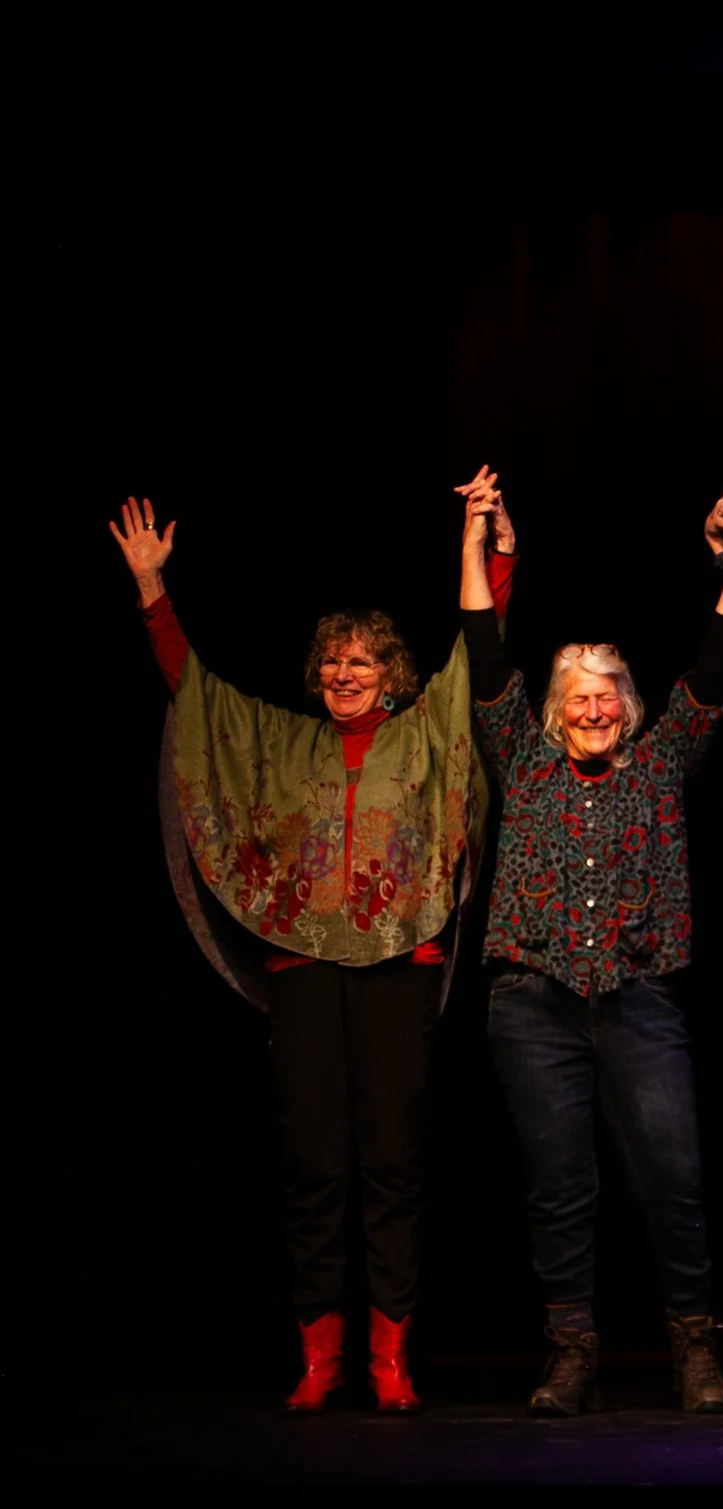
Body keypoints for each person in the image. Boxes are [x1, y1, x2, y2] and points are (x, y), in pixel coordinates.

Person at [113, 486, 494, 1415]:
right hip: (306, 968)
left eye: (362, 659)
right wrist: (153, 591)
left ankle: (390, 1355)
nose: (345, 672)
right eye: (332, 659)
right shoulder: (283, 741)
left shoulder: (424, 730)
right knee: (313, 1162)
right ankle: (321, 1354)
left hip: (400, 967)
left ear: (391, 670)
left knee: (394, 1160)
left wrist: (482, 544)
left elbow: (478, 657)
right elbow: (195, 695)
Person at [461, 470, 723, 1417]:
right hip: (532, 1000)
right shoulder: (522, 759)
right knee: (559, 1186)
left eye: (606, 694)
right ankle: (572, 1351)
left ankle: (694, 1347)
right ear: (555, 703)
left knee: (673, 1176)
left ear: (626, 704)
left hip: (635, 996)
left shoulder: (660, 763)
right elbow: (483, 646)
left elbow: (713, 664)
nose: (592, 707)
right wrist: (480, 539)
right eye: (576, 693)